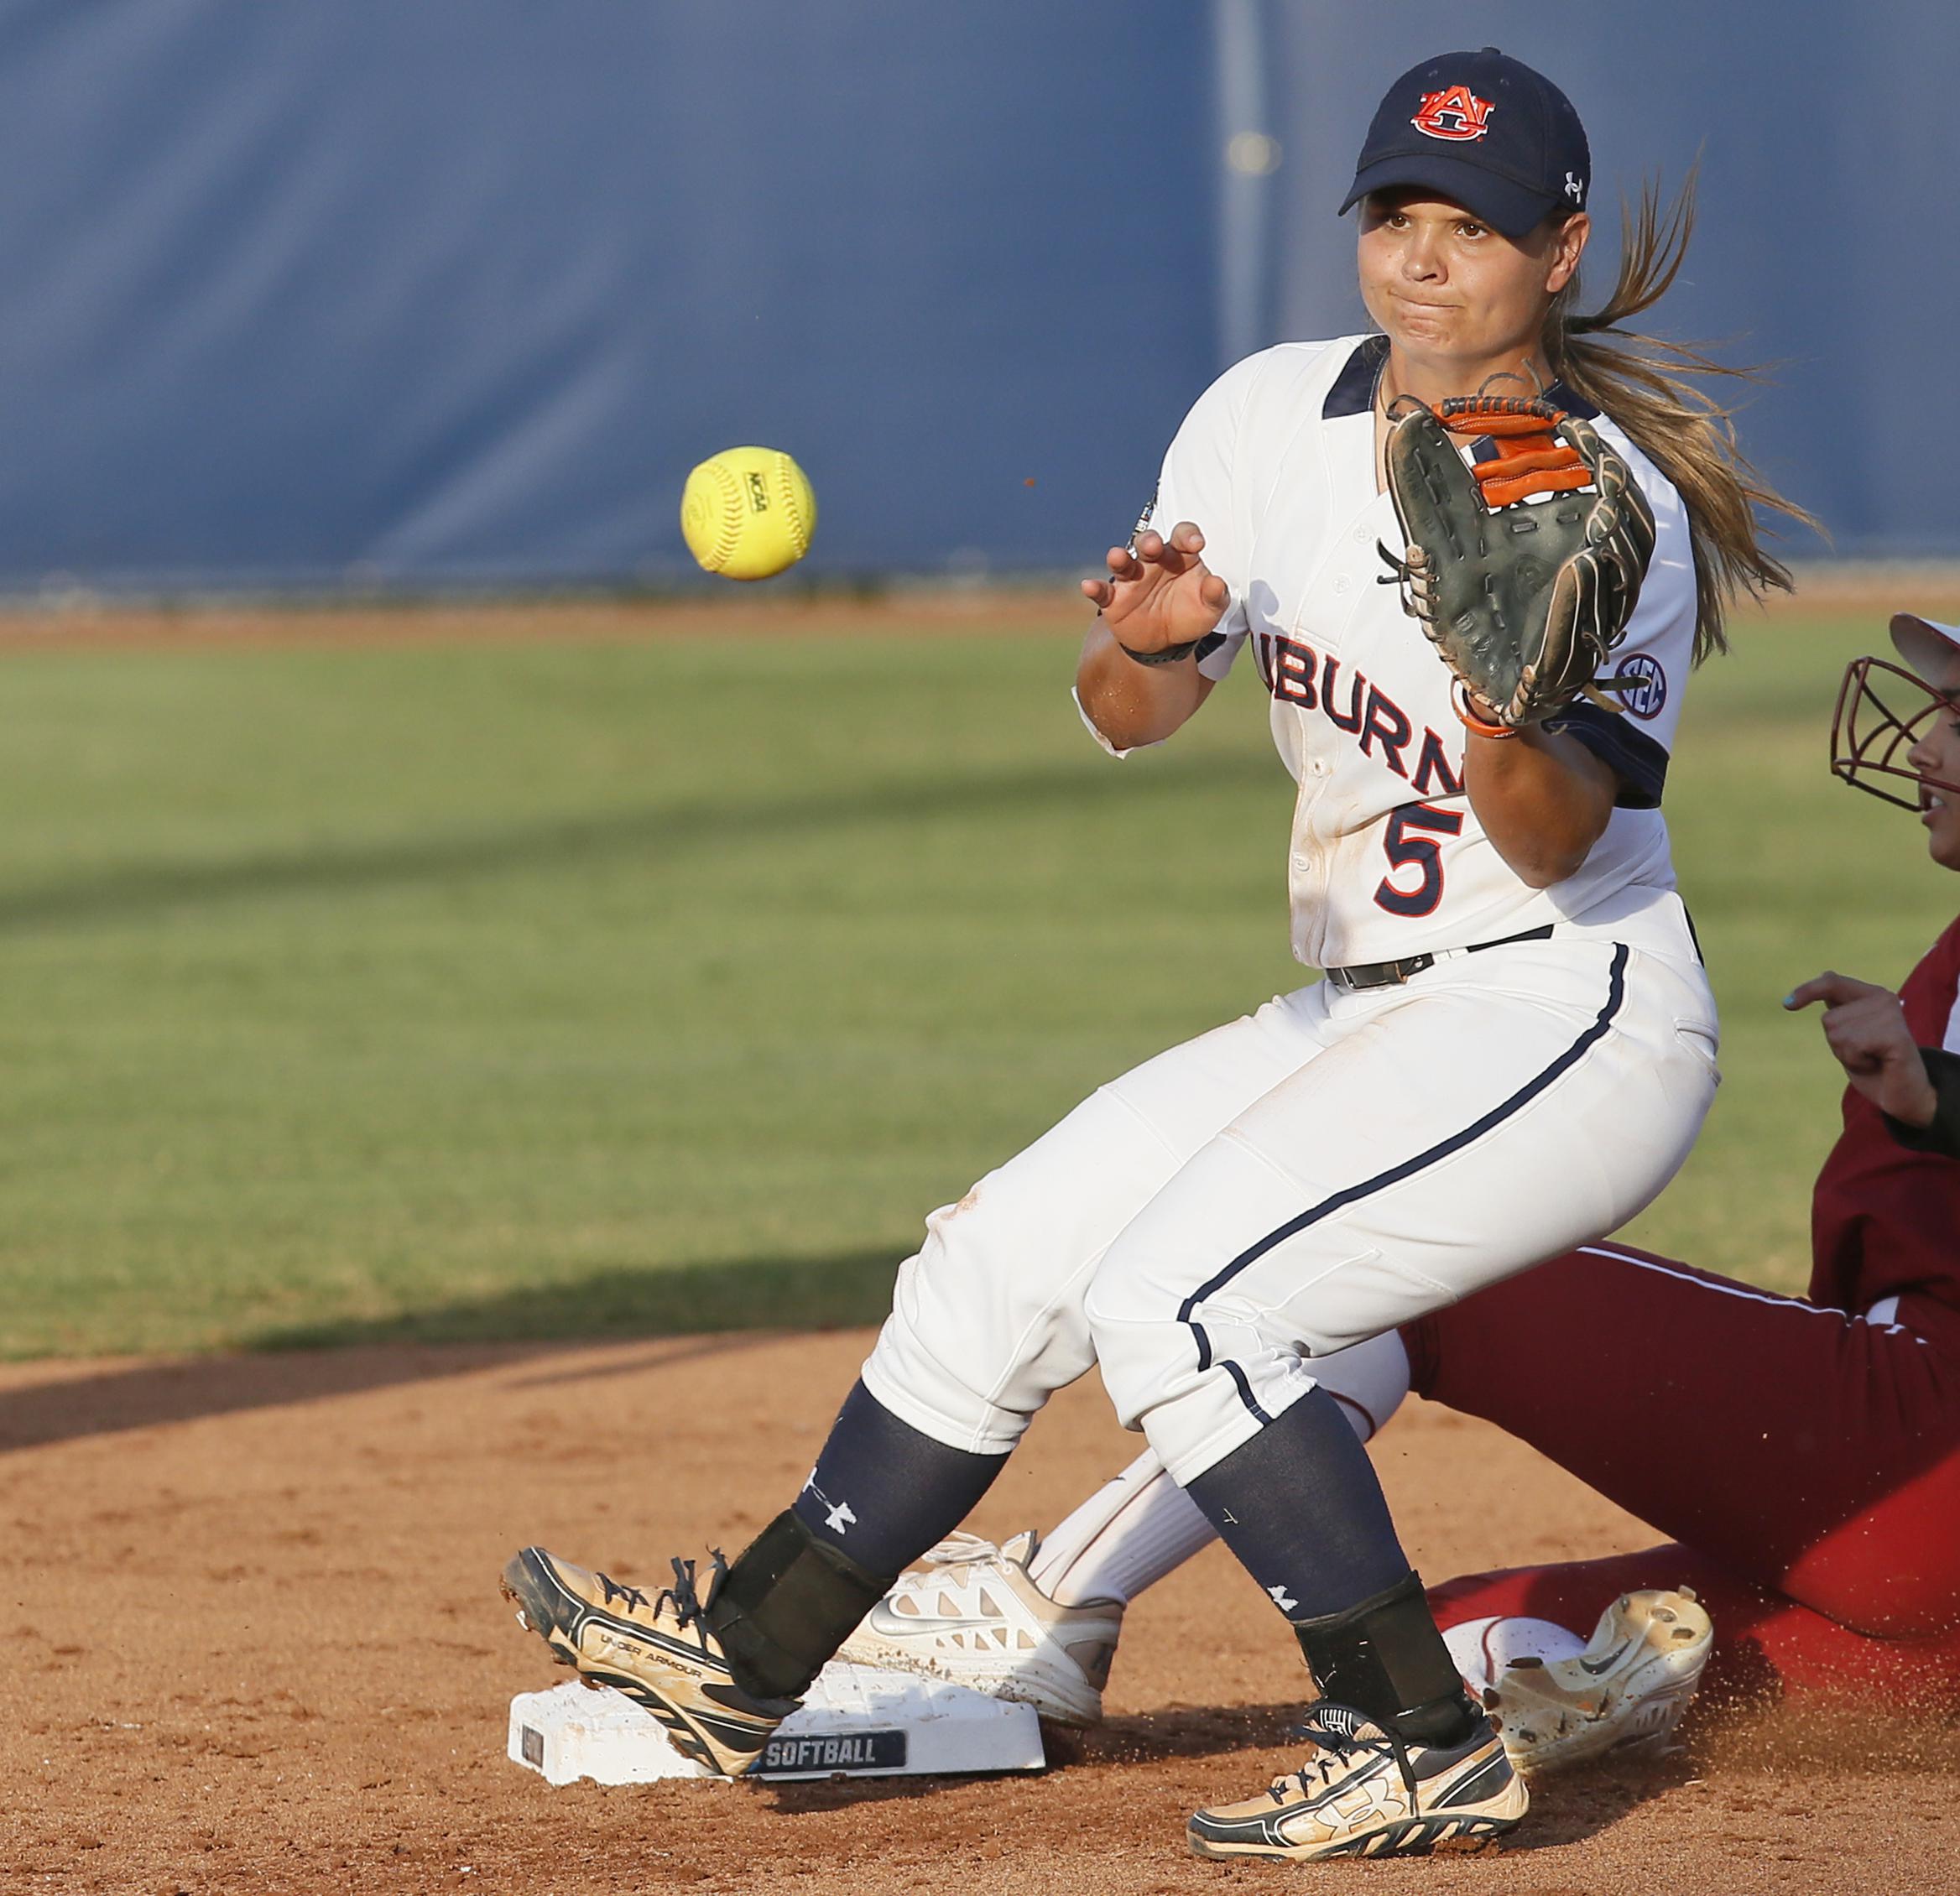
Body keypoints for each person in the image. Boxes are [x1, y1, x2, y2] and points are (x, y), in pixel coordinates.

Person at [503, 47, 1799, 1862]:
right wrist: (1156, 636)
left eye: (1476, 228)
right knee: (1001, 1255)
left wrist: (1502, 671)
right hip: (1370, 997)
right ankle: (748, 1655)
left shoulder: (1608, 507)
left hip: (1563, 1001)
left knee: (1190, 1304)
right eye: (1397, 218)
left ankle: (1415, 1732)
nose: (1425, 260)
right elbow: (1129, 706)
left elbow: (1550, 832)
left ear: (1560, 249)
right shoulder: (1267, 416)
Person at [839, 579, 1960, 1768]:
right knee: (1439, 1649)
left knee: (1413, 1249)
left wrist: (1940, 1095)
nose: (1931, 729)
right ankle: (1594, 1682)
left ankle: (1048, 1602)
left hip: (1927, 1456)